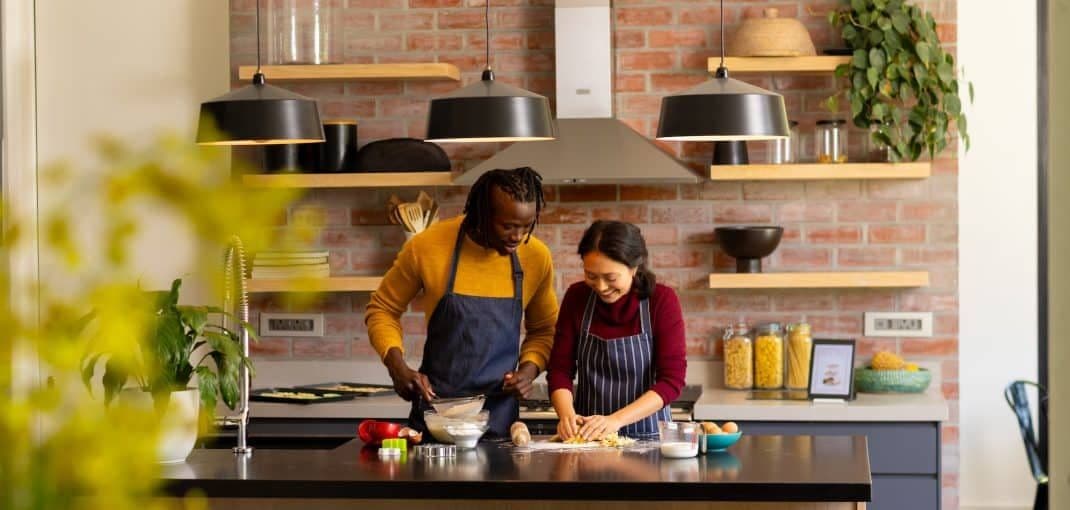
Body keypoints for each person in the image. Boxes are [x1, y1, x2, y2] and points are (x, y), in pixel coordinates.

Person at [365, 167, 558, 439]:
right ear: (482, 214)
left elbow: (545, 329)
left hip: (499, 421)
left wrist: (529, 369)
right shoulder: (428, 246)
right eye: (508, 226)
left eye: (527, 227)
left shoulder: (536, 256)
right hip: (436, 417)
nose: (518, 236)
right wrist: (397, 367)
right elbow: (382, 309)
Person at [547, 220, 686, 440]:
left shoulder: (661, 301)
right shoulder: (577, 298)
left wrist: (615, 421)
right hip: (589, 439)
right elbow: (559, 370)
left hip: (648, 438)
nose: (601, 287)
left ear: (634, 268)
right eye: (591, 276)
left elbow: (672, 381)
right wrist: (567, 416)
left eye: (611, 278)